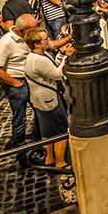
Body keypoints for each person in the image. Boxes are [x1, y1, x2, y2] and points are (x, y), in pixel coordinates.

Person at [24, 28, 72, 168]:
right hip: (49, 100)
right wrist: (68, 56)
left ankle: (49, 158)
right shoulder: (38, 60)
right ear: (37, 44)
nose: (48, 41)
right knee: (60, 129)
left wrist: (62, 54)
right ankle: (60, 161)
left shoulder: (38, 55)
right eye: (45, 40)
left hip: (41, 100)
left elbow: (52, 66)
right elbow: (57, 73)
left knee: (48, 131)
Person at [0, 14, 38, 148]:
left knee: (39, 109)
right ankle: (18, 143)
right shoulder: (5, 43)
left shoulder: (27, 37)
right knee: (20, 115)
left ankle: (37, 136)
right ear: (22, 30)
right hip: (17, 81)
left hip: (30, 78)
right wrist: (16, 83)